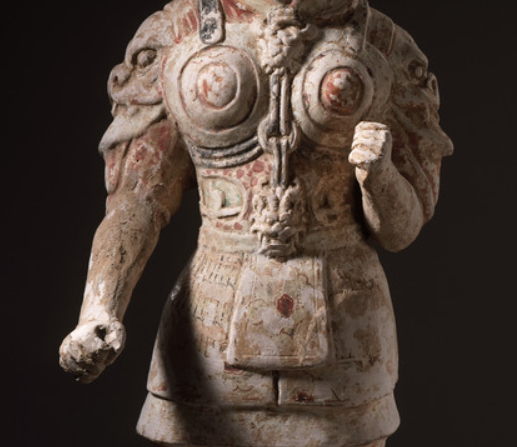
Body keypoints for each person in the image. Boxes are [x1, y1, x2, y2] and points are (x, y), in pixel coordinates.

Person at [59, 1, 453, 446]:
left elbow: (400, 230)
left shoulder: (382, 45)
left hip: (345, 332)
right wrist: (99, 309)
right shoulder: (176, 36)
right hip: (210, 330)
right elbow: (138, 202)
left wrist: (379, 176)